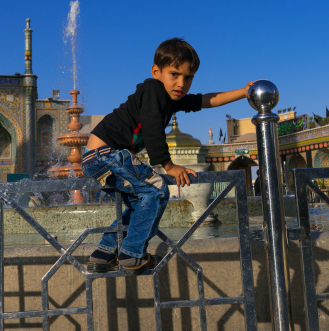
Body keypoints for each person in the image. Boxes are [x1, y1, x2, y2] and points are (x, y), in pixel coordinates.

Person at [82, 38, 258, 275]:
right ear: (156, 72)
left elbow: (206, 100)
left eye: (188, 77)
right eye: (174, 74)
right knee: (157, 190)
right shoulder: (153, 90)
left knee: (141, 201)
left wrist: (243, 92)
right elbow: (152, 129)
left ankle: (104, 253)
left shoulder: (168, 98)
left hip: (97, 160)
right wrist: (168, 165)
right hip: (107, 155)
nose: (181, 83)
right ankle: (133, 255)